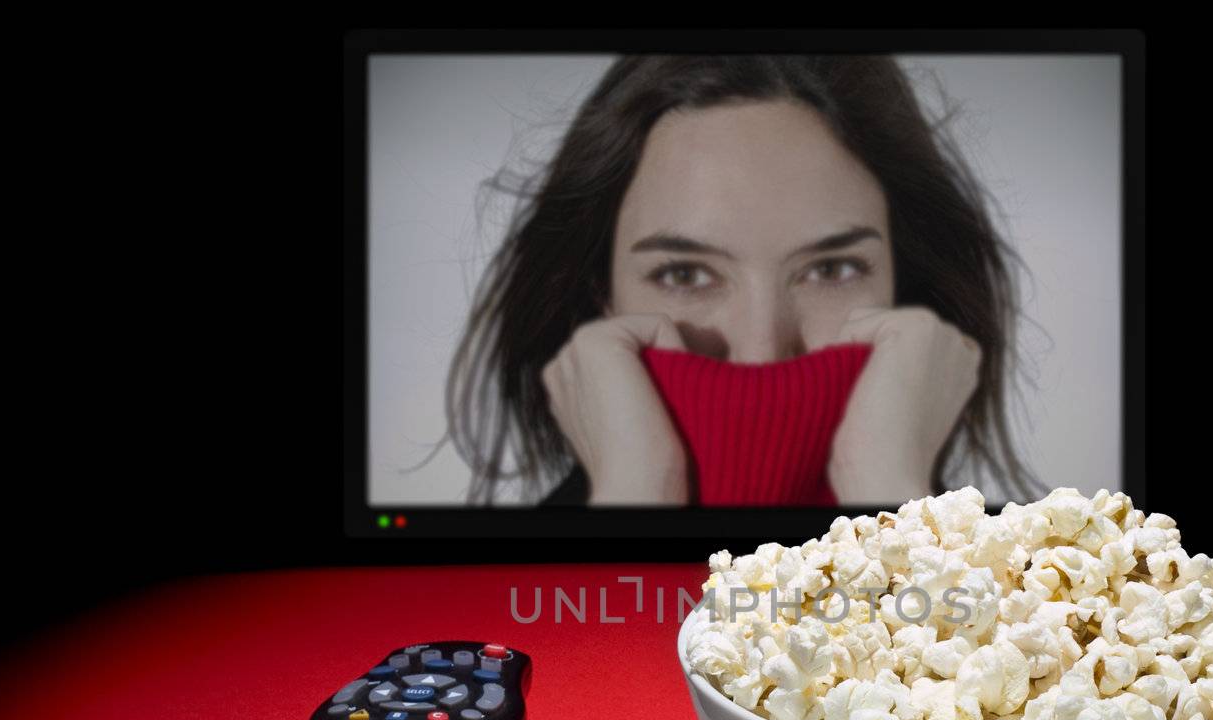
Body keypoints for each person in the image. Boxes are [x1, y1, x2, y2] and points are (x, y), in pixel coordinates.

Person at [435, 55, 1044, 507]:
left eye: (830, 270)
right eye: (685, 274)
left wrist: (893, 507)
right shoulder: (470, 596)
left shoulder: (1037, 603)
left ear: (904, 289)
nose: (760, 351)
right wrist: (633, 501)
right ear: (601, 295)